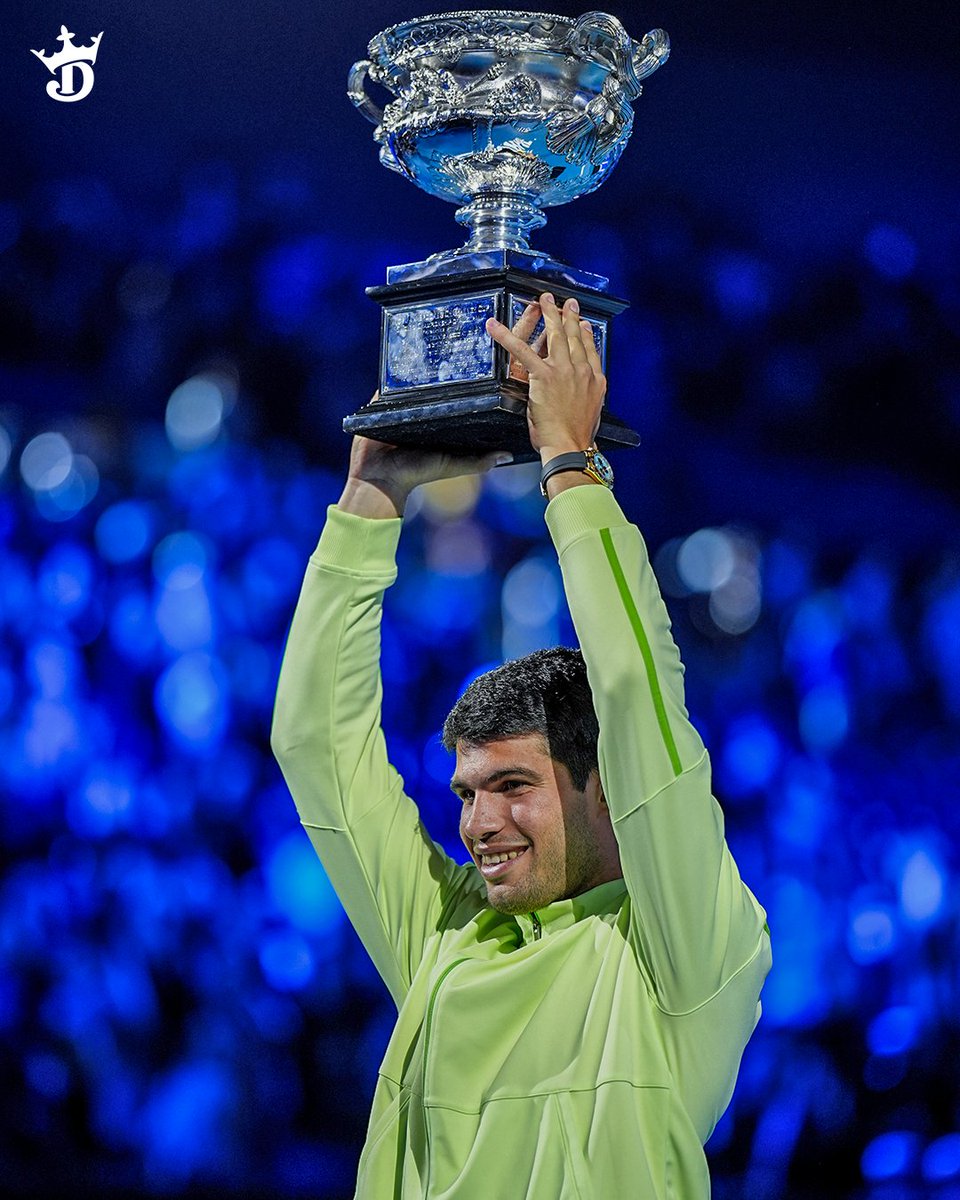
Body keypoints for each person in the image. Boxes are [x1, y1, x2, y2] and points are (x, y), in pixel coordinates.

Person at [271, 293, 771, 1198]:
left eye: (512, 785)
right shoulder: (447, 936)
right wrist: (369, 500)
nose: (478, 824)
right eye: (465, 792)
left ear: (606, 786)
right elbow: (316, 747)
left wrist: (571, 469)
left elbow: (633, 692)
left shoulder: (684, 954)